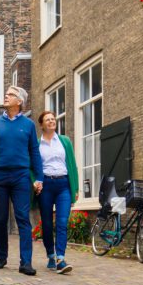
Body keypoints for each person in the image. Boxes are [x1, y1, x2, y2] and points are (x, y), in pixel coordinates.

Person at [0, 85, 43, 276]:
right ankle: (2, 256)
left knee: (23, 218)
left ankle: (26, 262)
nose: (6, 96)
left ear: (20, 101)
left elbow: (34, 151)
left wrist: (39, 177)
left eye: (11, 94)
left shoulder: (28, 125)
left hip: (20, 177)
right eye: (6, 94)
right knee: (0, 219)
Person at [36, 110, 79, 275]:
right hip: (46, 185)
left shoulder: (65, 141)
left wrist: (75, 188)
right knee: (47, 224)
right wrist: (35, 182)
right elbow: (33, 166)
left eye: (53, 119)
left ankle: (61, 259)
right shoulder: (37, 144)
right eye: (47, 119)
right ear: (42, 125)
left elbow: (72, 165)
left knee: (62, 222)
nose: (51, 121)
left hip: (63, 185)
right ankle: (51, 255)